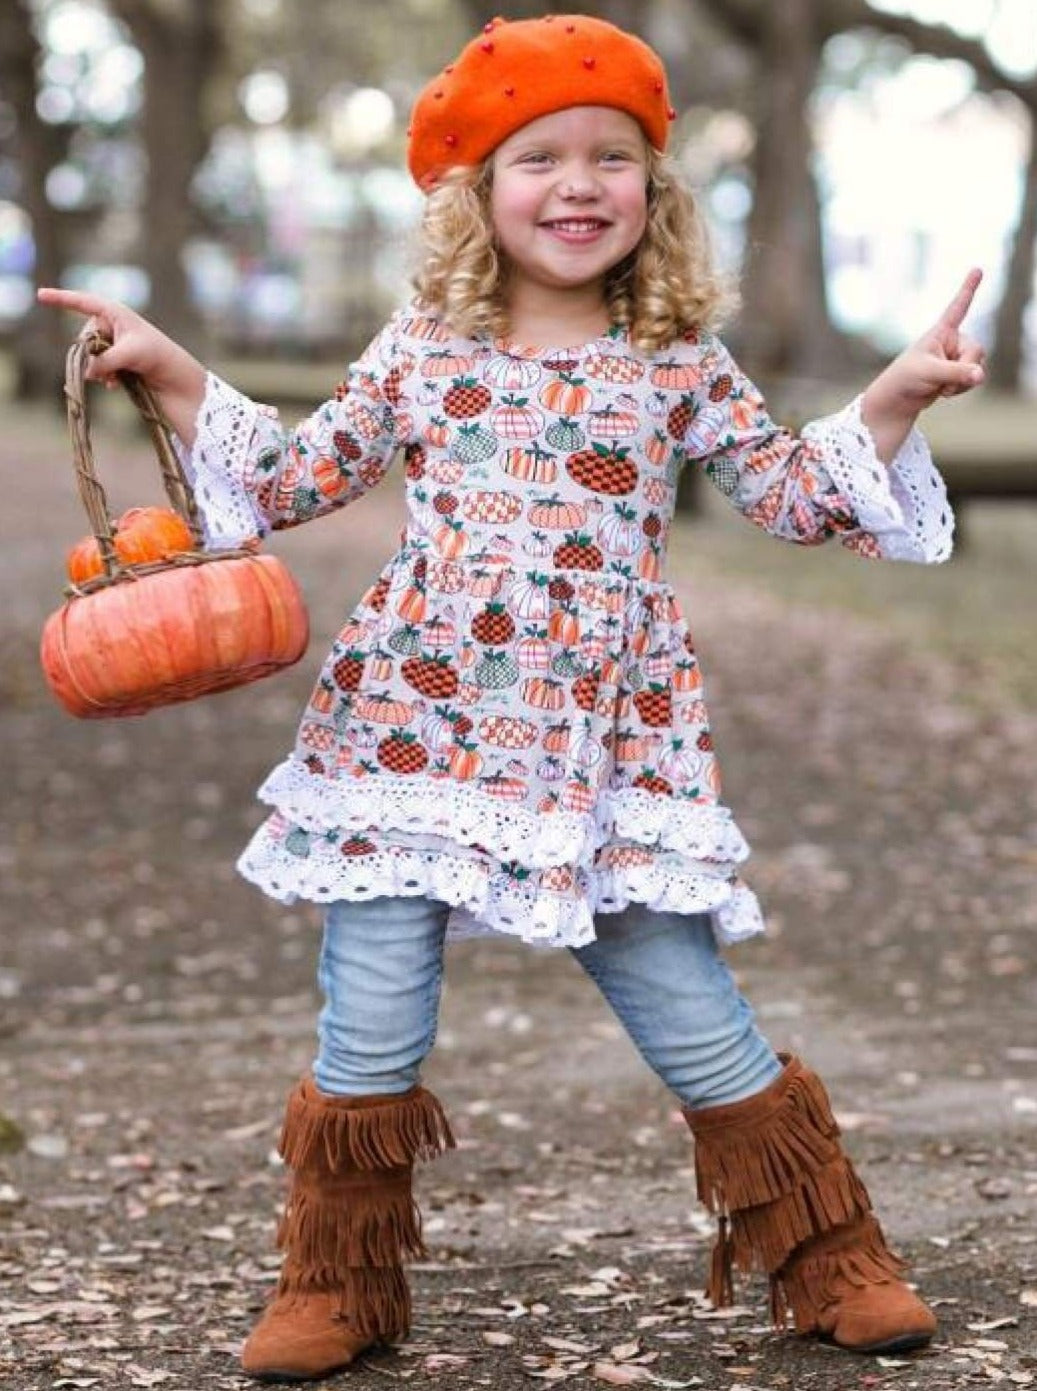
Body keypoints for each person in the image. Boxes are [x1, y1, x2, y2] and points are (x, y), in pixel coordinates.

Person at [39, 13, 986, 1384]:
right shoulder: (426, 346)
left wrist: (893, 396)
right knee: (372, 1001)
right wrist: (173, 369)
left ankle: (830, 1254)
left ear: (653, 188)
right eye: (538, 158)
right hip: (410, 724)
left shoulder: (675, 355)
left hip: (602, 738)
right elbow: (298, 479)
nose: (578, 184)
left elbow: (789, 493)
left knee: (677, 981)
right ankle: (338, 1282)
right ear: (478, 192)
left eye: (612, 156)